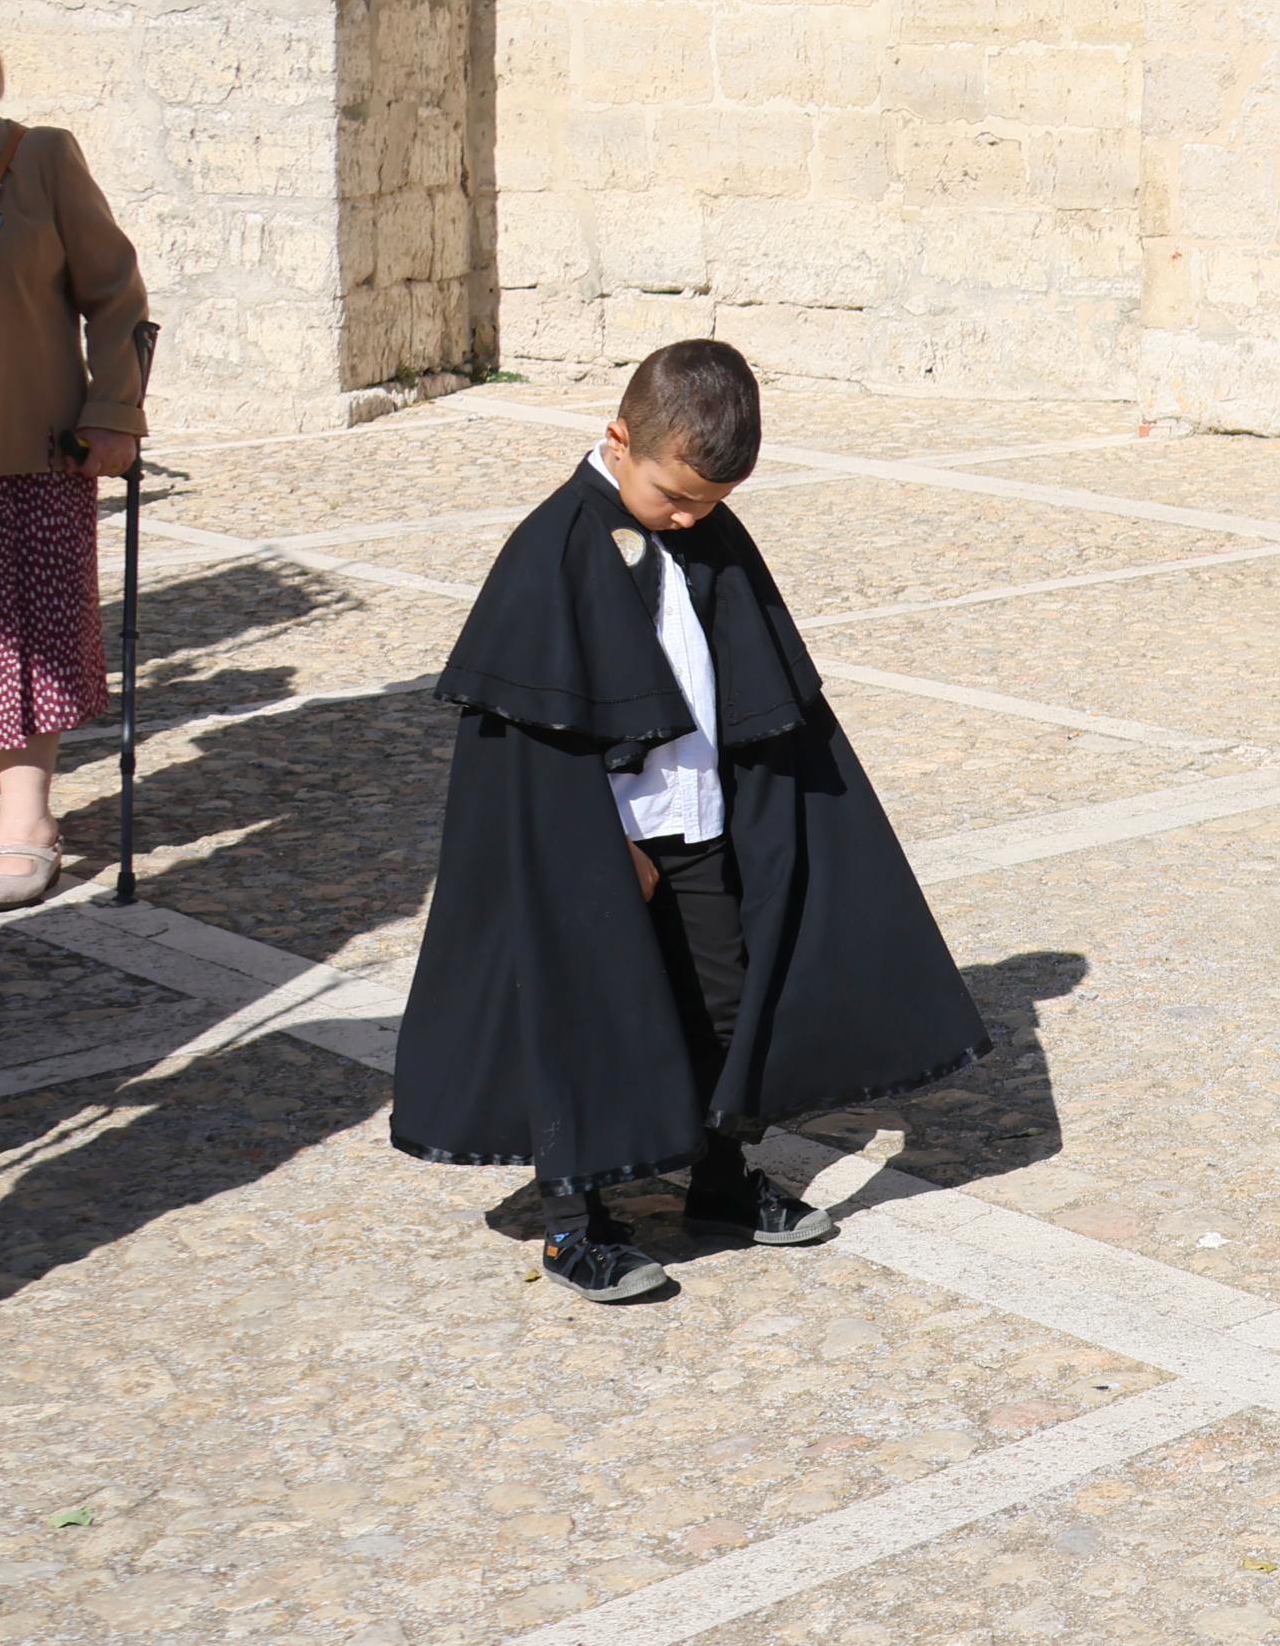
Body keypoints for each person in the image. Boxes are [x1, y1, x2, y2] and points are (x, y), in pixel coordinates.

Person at [390, 342, 991, 1303]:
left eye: (708, 503)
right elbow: (534, 747)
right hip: (598, 841)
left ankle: (719, 1179)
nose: (689, 516)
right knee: (584, 1016)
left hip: (703, 821)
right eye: (676, 496)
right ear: (619, 438)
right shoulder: (549, 552)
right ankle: (574, 1223)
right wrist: (605, 847)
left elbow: (749, 687)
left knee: (728, 1000)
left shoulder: (707, 532)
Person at [0, 81, 151, 910]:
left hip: (30, 448)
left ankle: (25, 815)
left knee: (30, 643)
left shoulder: (40, 159)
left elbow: (117, 292)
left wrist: (113, 410)